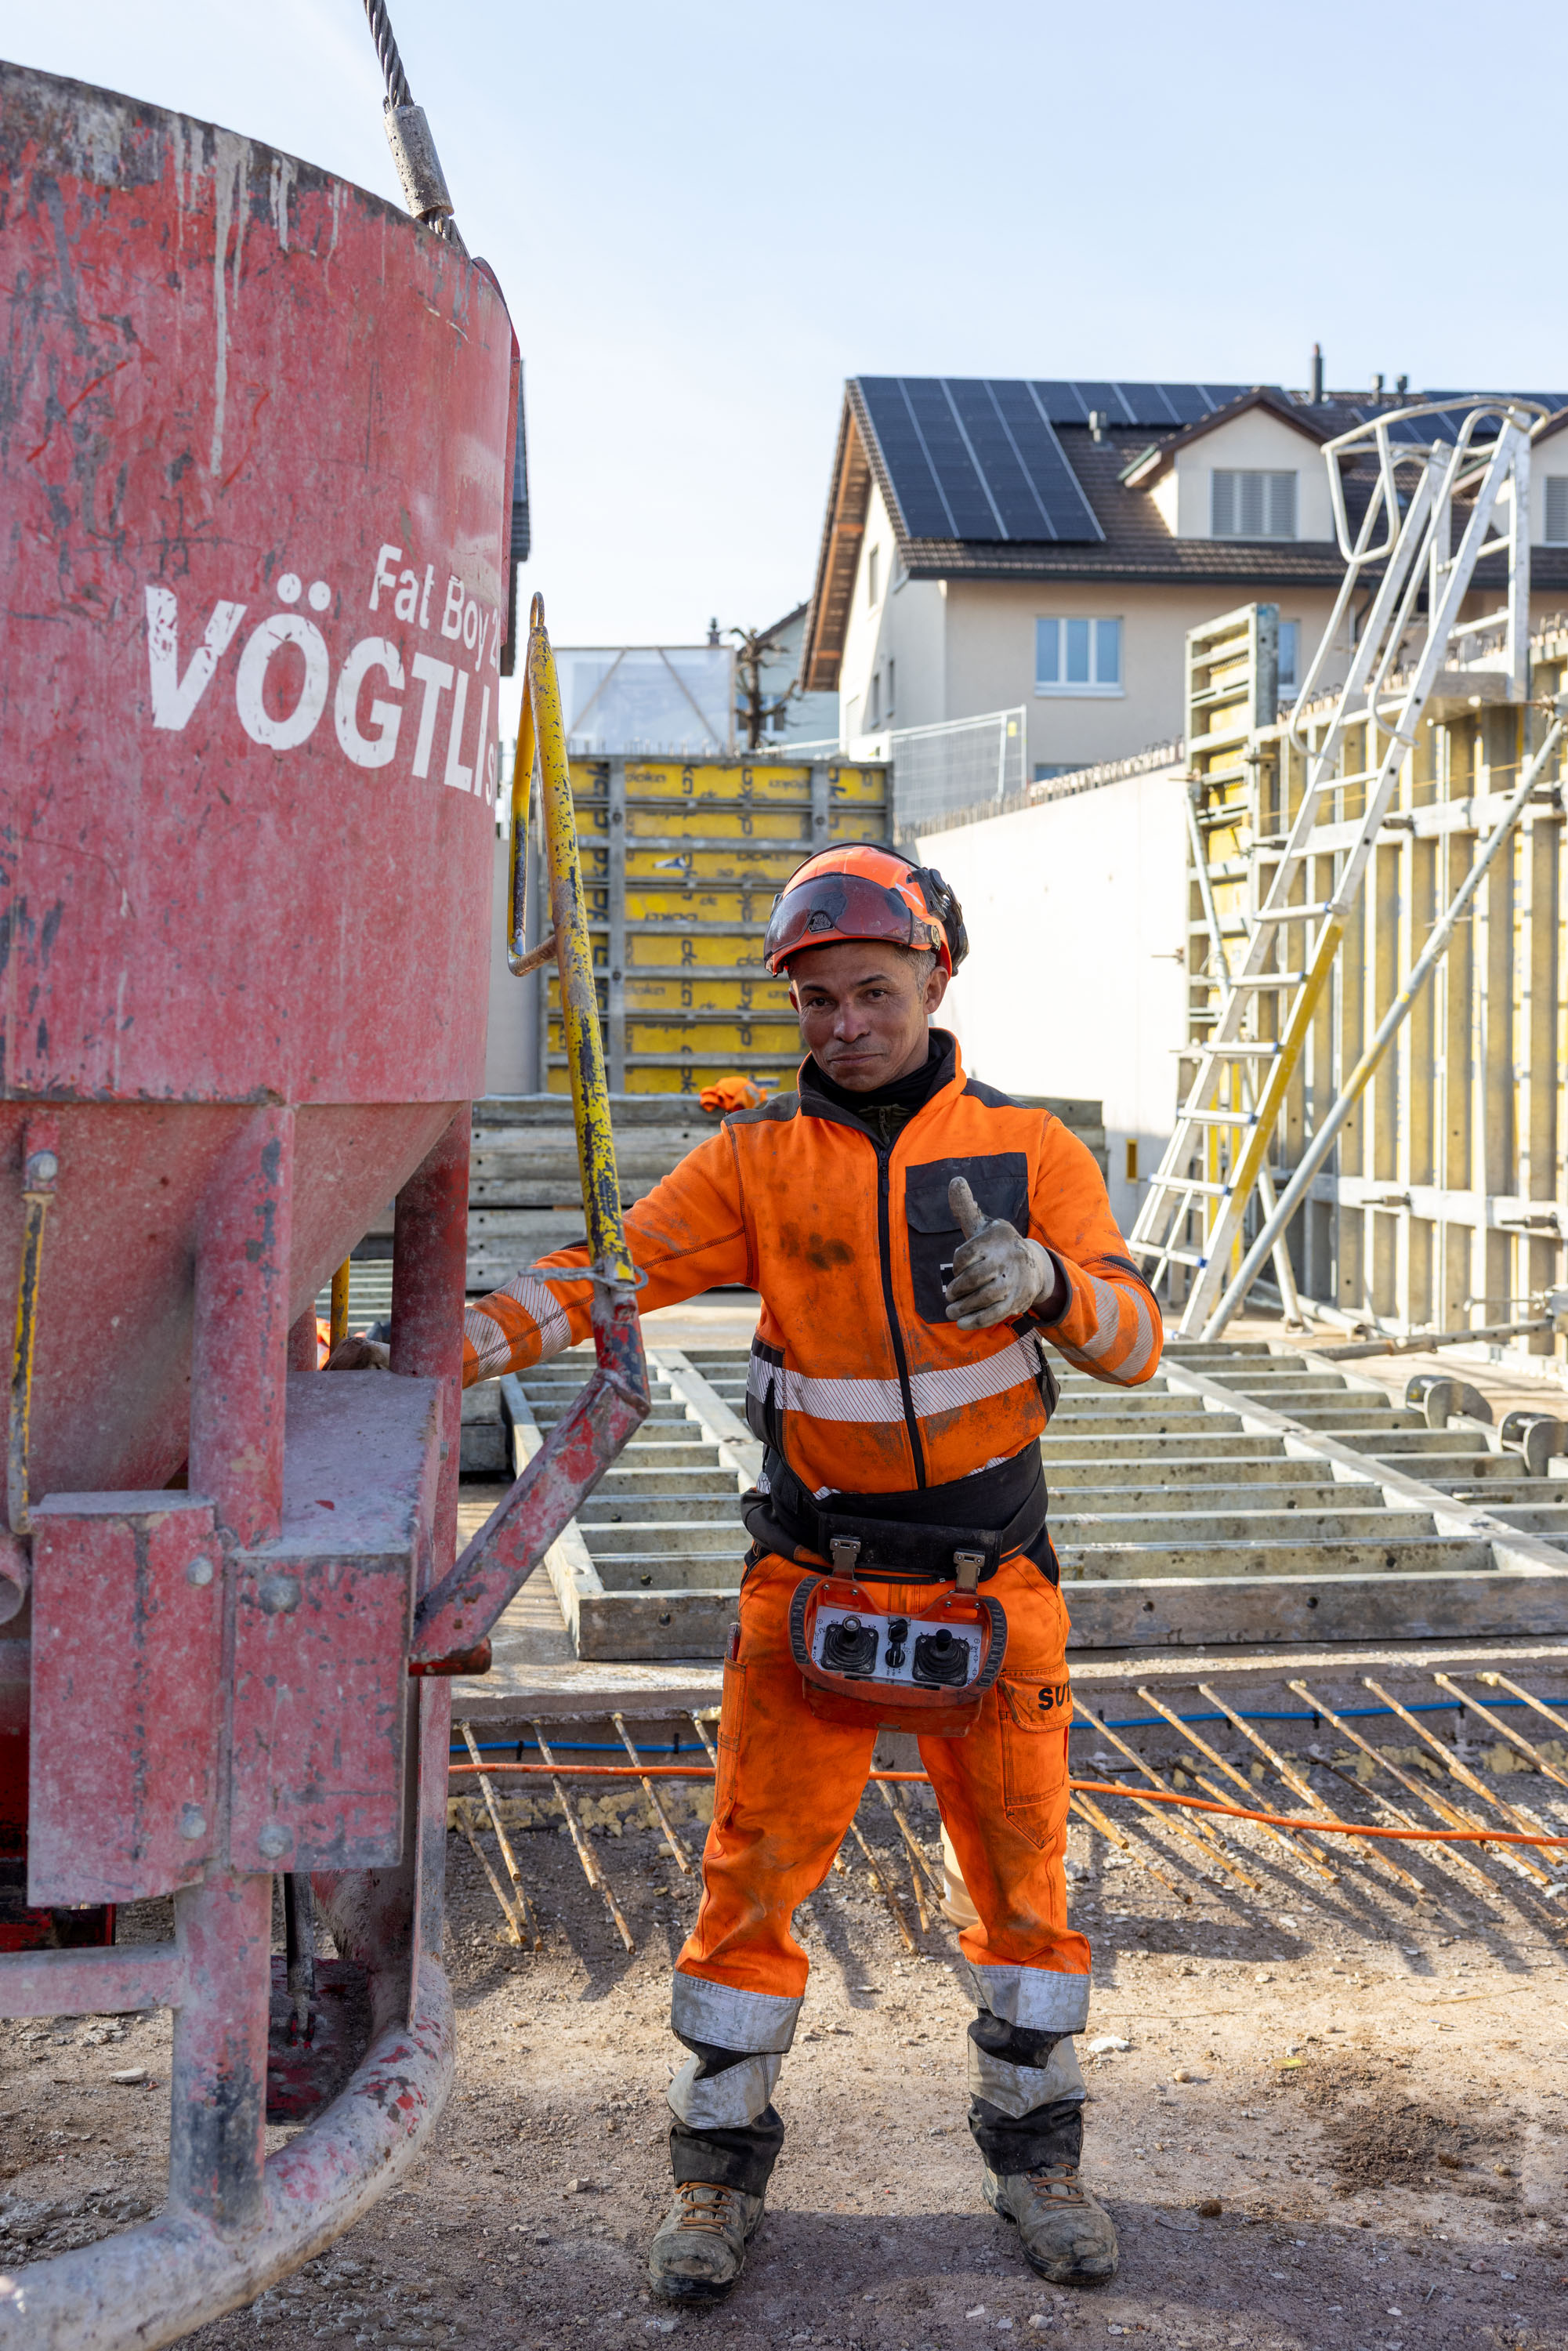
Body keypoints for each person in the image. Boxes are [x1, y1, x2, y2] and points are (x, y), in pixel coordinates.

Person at [457, 844, 1162, 2302]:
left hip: (990, 1585)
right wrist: (442, 1352)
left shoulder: (1030, 1152)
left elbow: (1138, 1340)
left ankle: (1039, 2163)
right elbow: (607, 1275)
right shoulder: (756, 1159)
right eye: (817, 1000)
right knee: (750, 1885)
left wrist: (1048, 1283)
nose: (844, 1023)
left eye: (872, 992)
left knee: (1026, 1888)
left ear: (933, 981)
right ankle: (711, 2178)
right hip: (812, 1581)